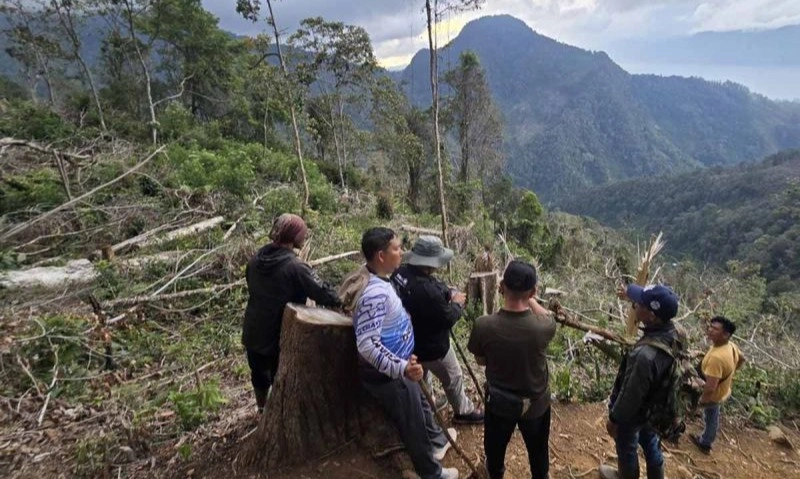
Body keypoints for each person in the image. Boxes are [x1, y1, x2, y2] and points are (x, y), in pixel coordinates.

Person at [353, 227, 459, 479]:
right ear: (381, 255)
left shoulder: (382, 277)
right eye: (397, 248)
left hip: (404, 363)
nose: (402, 253)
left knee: (422, 403)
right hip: (394, 375)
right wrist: (401, 368)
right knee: (412, 424)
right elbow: (367, 344)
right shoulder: (375, 293)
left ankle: (436, 439)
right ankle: (431, 473)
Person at [242, 213, 342, 413]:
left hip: (253, 330)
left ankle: (262, 410)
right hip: (279, 334)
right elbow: (322, 292)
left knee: (259, 375)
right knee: (282, 377)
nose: (304, 237)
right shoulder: (295, 267)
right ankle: (280, 414)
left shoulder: (255, 260)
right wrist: (342, 299)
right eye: (302, 233)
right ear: (294, 236)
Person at [467, 260, 557, 479]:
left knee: (495, 452)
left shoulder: (483, 325)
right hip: (535, 405)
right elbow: (547, 315)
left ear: (502, 286)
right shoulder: (544, 327)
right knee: (538, 453)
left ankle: (496, 474)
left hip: (499, 404)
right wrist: (532, 300)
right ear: (533, 291)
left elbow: (480, 361)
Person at [391, 235, 484, 424]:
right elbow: (447, 317)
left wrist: (447, 292)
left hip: (411, 343)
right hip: (433, 346)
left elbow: (433, 288)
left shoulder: (400, 273)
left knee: (423, 376)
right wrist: (458, 304)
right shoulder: (427, 292)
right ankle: (463, 411)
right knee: (453, 376)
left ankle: (428, 404)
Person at [599, 284, 680, 479]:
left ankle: (626, 476)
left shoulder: (644, 356)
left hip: (635, 412)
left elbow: (631, 395)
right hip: (655, 407)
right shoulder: (675, 333)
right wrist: (630, 293)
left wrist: (614, 419)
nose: (634, 306)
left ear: (652, 316)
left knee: (626, 445)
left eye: (638, 304)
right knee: (651, 441)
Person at [690, 316, 745, 454]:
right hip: (723, 390)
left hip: (713, 395)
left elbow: (710, 387)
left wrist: (701, 401)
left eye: (715, 329)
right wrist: (731, 372)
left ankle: (704, 443)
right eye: (710, 326)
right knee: (713, 416)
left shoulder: (717, 358)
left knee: (709, 415)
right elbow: (742, 358)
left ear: (726, 334)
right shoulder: (731, 346)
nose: (710, 330)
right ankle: (707, 441)